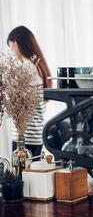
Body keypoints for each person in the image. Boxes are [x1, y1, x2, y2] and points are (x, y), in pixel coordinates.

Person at [7, 26, 52, 157]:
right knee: (31, 174)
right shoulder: (36, 67)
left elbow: (19, 106)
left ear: (16, 43)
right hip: (35, 133)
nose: (12, 52)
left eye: (11, 47)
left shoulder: (26, 68)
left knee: (23, 175)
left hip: (25, 135)